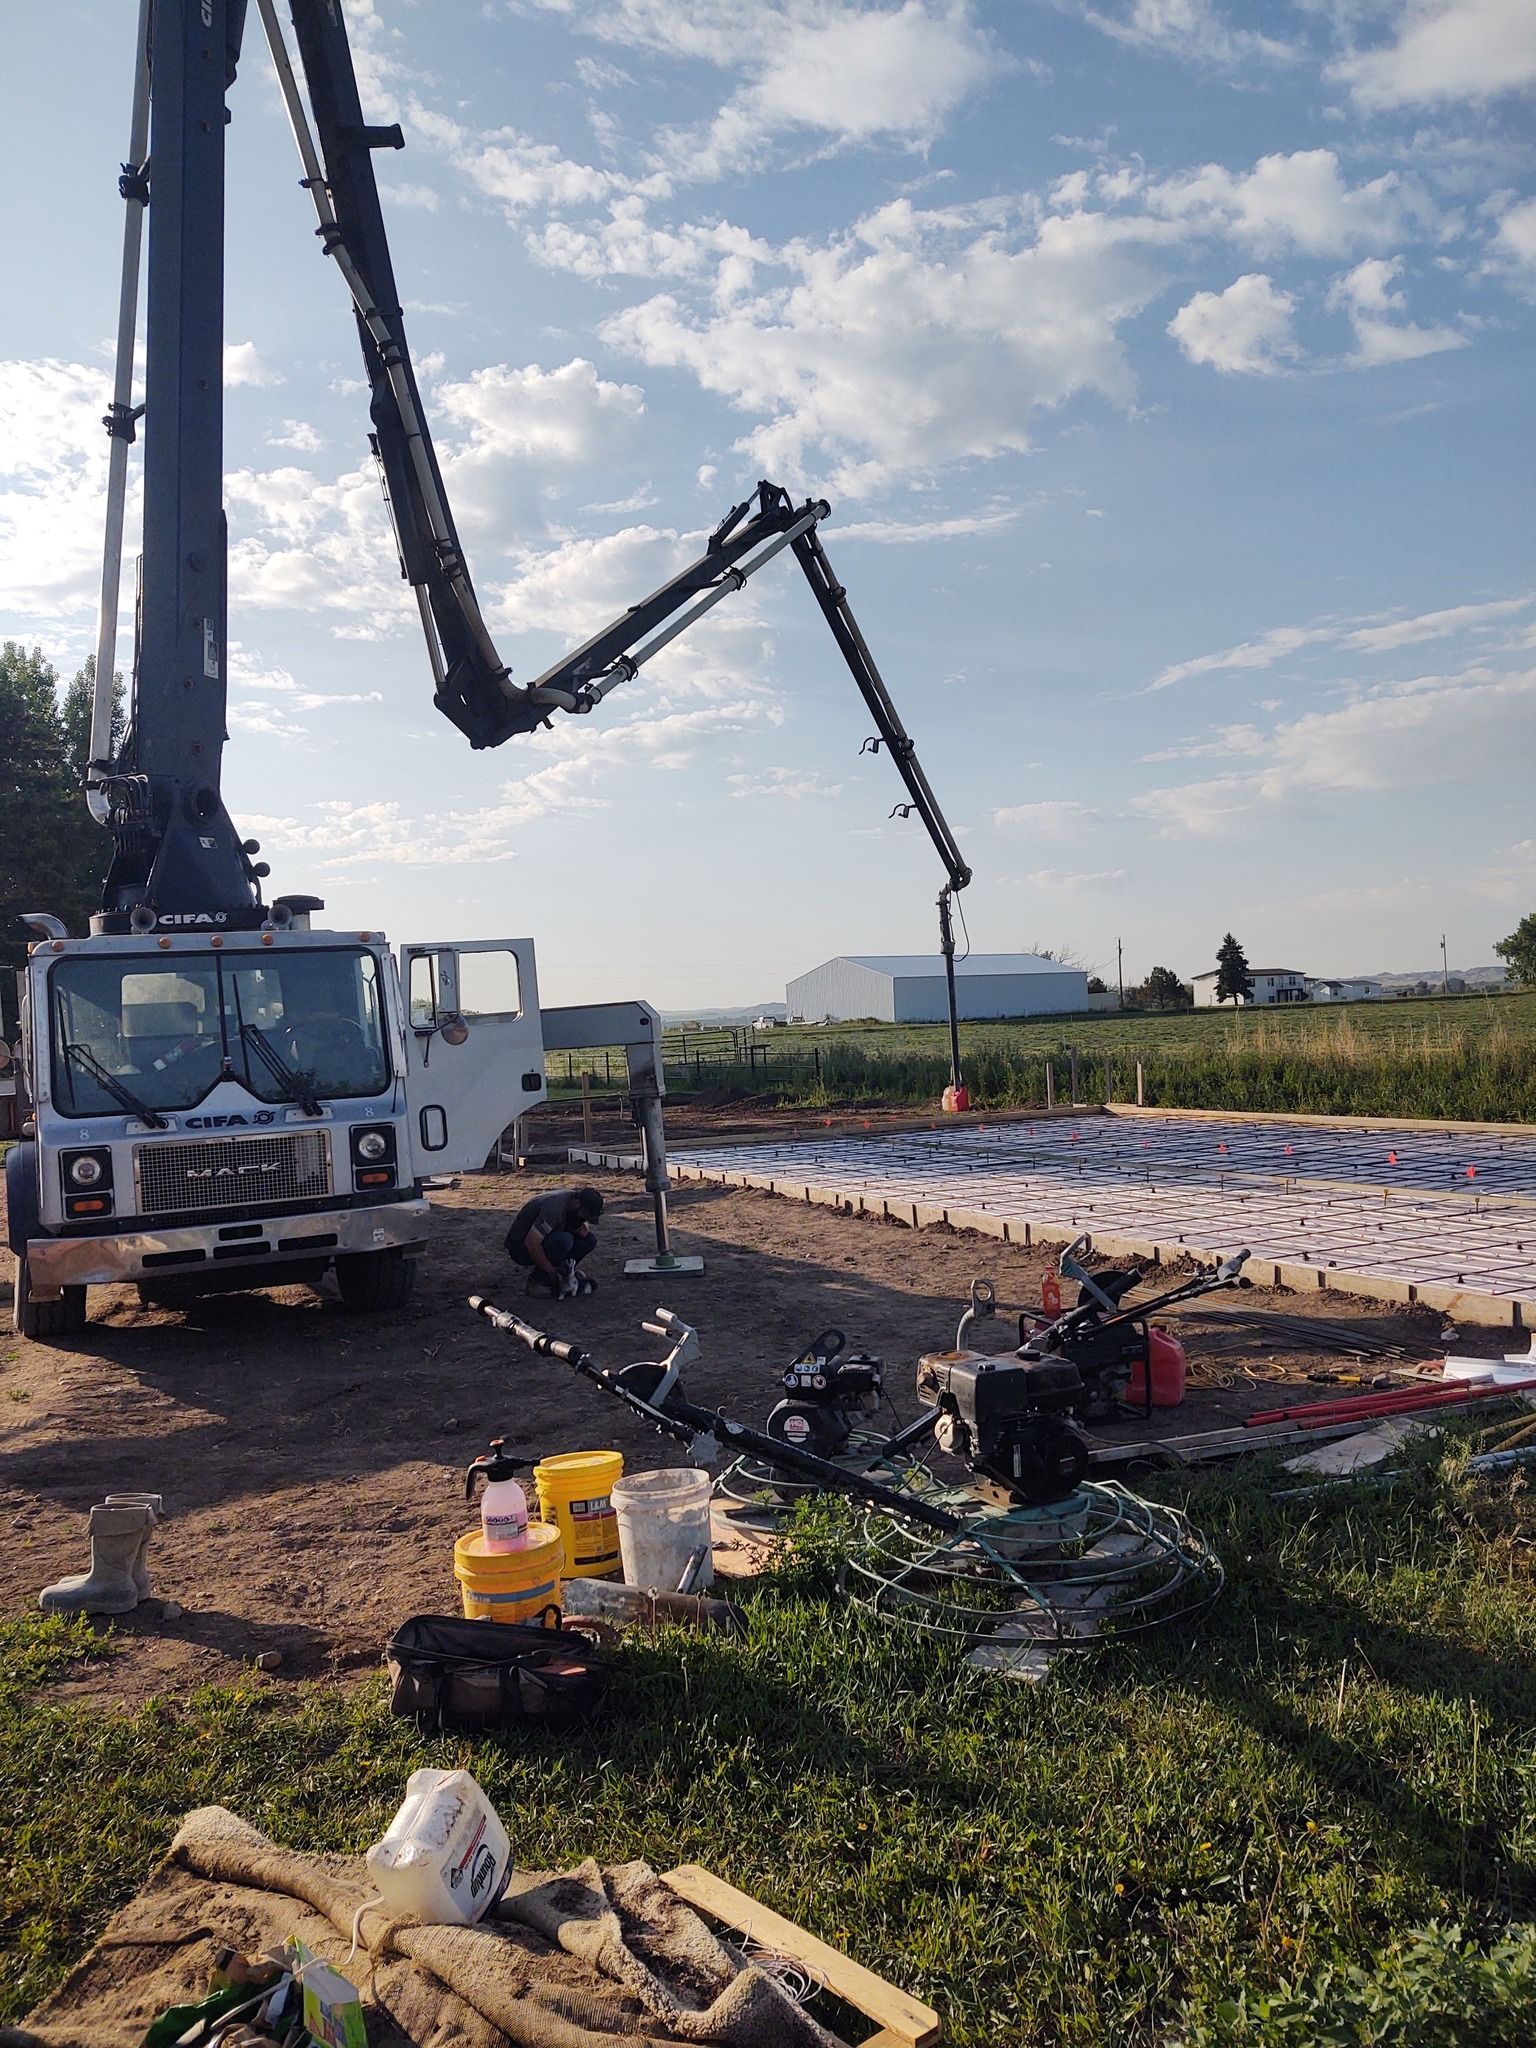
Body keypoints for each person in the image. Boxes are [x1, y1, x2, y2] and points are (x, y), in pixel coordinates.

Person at [504, 1187, 603, 1298]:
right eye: (585, 1215)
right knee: (564, 1241)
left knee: (589, 1241)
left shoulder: (572, 1202)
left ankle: (566, 1274)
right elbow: (531, 1243)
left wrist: (581, 1227)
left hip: (543, 1238)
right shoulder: (554, 1209)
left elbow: (582, 1230)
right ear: (577, 1204)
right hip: (520, 1247)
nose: (584, 1219)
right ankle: (538, 1282)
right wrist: (551, 1271)